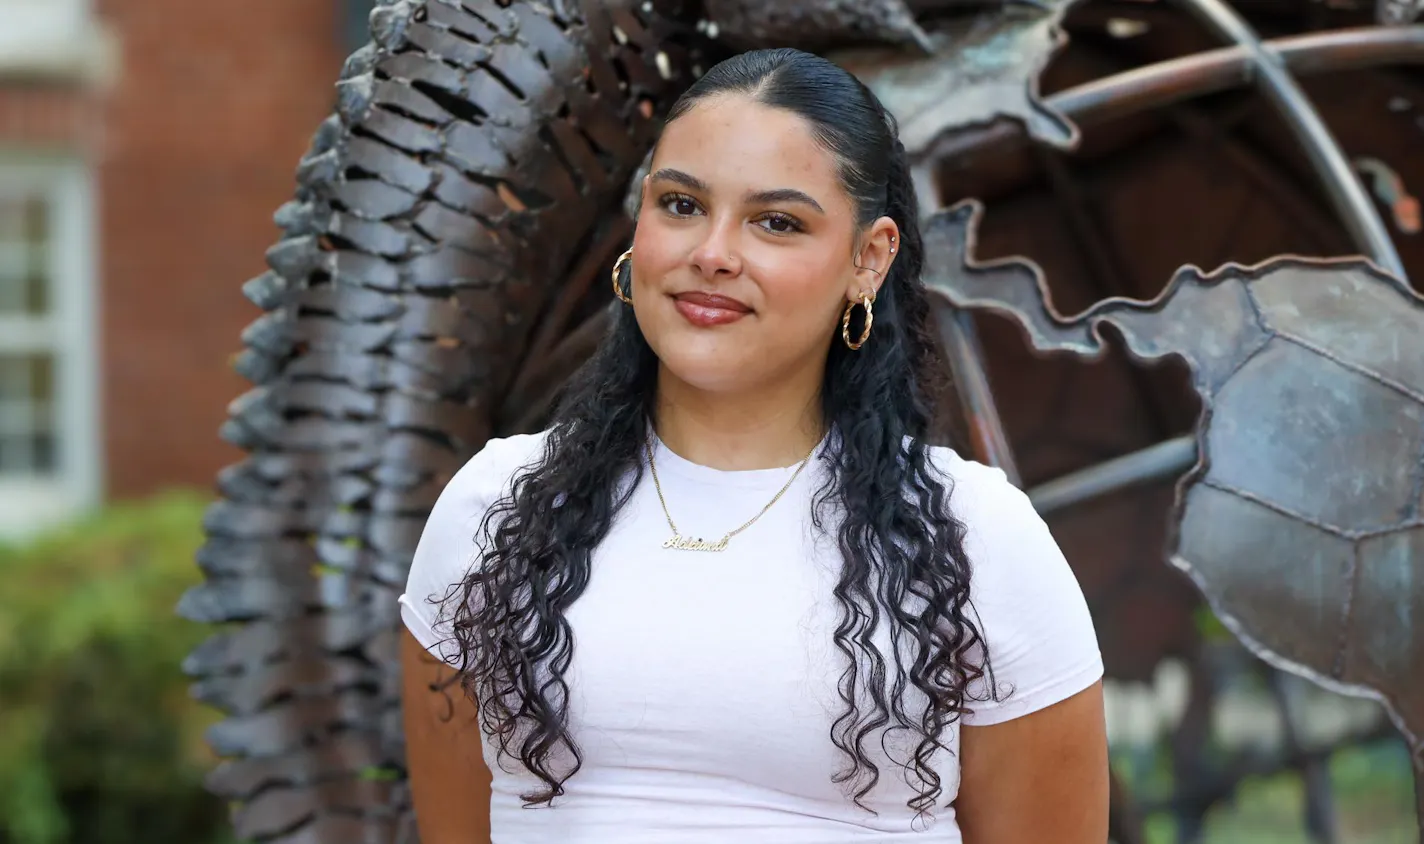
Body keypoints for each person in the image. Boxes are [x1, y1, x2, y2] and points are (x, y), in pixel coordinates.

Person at [399, 47, 1108, 844]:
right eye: (680, 205)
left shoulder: (974, 539)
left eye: (777, 221)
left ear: (868, 259)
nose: (713, 254)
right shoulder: (497, 511)